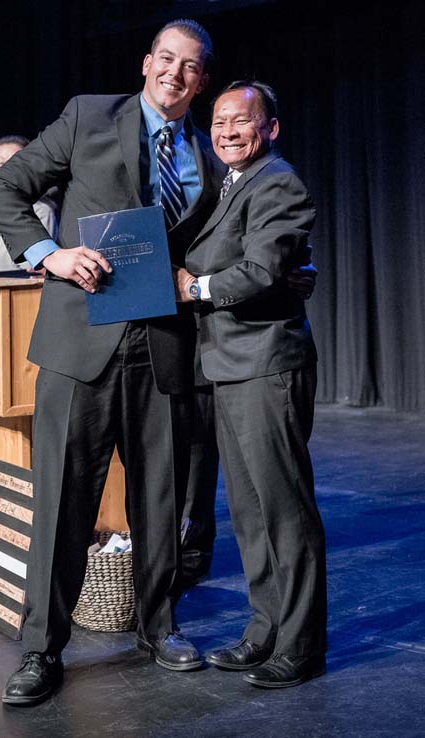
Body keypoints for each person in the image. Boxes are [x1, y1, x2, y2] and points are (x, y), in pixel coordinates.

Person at [0, 19, 225, 706]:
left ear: (200, 81)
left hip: (163, 345)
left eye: (191, 67)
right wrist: (47, 255)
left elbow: (207, 247)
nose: (176, 74)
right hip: (81, 341)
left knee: (159, 498)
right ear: (147, 63)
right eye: (167, 59)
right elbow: (4, 191)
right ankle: (40, 650)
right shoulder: (90, 115)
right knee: (62, 503)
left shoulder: (205, 158)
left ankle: (159, 626)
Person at [175, 81, 327, 689]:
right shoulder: (227, 186)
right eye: (219, 122)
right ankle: (264, 630)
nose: (228, 132)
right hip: (227, 367)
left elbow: (261, 268)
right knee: (249, 512)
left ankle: (302, 644)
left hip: (266, 366)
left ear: (270, 129)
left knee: (284, 512)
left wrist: (196, 288)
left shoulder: (279, 181)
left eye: (242, 122)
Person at [0, 135, 58, 275]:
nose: (6, 171)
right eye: (1, 164)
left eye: (14, 163)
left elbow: (36, 270)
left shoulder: (41, 211)